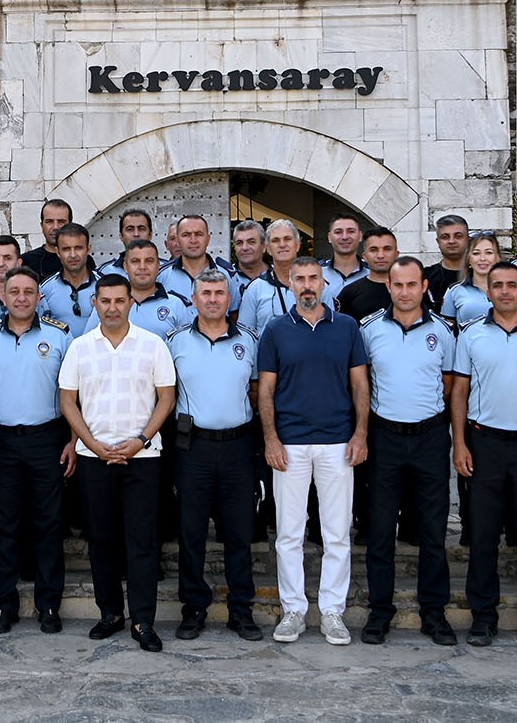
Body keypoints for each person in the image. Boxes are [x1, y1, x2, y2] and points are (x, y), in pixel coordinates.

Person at [59, 273, 178, 652]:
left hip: (142, 457)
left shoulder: (153, 345)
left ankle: (143, 620)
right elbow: (67, 400)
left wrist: (140, 440)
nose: (112, 307)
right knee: (101, 540)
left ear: (130, 303)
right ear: (95, 303)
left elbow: (166, 398)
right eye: (105, 301)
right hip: (94, 459)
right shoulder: (79, 347)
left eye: (119, 300)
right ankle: (110, 612)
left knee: (142, 542)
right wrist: (91, 444)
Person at [258, 257, 369, 646]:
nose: (307, 285)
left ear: (325, 284)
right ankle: (293, 610)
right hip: (289, 444)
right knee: (289, 533)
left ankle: (333, 612)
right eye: (300, 279)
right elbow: (265, 390)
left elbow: (360, 385)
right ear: (289, 284)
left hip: (338, 442)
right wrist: (271, 439)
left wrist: (360, 434)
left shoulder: (348, 328)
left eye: (313, 279)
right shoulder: (275, 330)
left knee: (337, 533)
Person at [449, 262, 517, 649]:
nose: (506, 291)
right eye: (498, 285)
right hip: (484, 443)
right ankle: (483, 617)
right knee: (483, 535)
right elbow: (459, 393)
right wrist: (459, 443)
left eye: (512, 285)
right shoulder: (471, 335)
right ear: (488, 292)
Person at [358, 258, 456, 647]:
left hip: (430, 437)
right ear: (389, 287)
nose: (404, 292)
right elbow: (362, 384)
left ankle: (434, 612)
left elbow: (449, 384)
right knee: (381, 531)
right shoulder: (369, 331)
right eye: (397, 285)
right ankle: (380, 611)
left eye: (411, 285)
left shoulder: (444, 331)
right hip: (385, 439)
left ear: (423, 286)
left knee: (433, 531)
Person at [165, 268, 262, 642]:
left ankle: (242, 610)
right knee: (191, 534)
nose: (212, 299)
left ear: (230, 298)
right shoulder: (175, 342)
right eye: (205, 293)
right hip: (193, 448)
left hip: (238, 446)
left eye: (219, 293)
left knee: (239, 533)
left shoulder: (249, 340)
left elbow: (257, 393)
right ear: (193, 298)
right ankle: (193, 609)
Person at [0, 267, 75, 636]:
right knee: (3, 526)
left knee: (48, 524)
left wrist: (72, 440)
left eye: (28, 291)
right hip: (0, 440)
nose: (20, 297)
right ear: (3, 295)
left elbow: (71, 393)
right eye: (13, 290)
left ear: (39, 297)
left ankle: (49, 604)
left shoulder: (60, 336)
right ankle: (5, 605)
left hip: (46, 440)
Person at [239, 218, 306, 338]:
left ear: (297, 245)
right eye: (275, 240)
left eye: (287, 239)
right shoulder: (255, 289)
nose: (282, 245)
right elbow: (245, 337)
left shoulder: (317, 286)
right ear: (267, 248)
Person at [123, 239, 195, 338]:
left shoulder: (177, 305)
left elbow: (186, 346)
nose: (142, 267)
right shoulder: (112, 303)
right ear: (126, 267)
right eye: (135, 261)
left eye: (149, 261)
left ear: (158, 266)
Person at [161, 214, 235, 307]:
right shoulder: (161, 276)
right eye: (186, 235)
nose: (193, 240)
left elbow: (234, 315)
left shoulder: (228, 275)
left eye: (199, 234)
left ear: (208, 239)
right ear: (178, 240)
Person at [40, 222, 100, 334]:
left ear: (88, 249)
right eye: (66, 249)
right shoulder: (45, 289)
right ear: (58, 252)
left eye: (78, 248)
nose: (73, 255)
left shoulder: (104, 286)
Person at [335, 227, 398, 321]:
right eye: (373, 250)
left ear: (396, 254)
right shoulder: (349, 293)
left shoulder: (412, 291)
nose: (380, 255)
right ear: (364, 256)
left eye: (387, 249)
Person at [440, 231, 502, 325]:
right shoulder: (454, 291)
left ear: (497, 257)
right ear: (468, 259)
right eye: (476, 253)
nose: (482, 258)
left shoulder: (512, 289)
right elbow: (447, 332)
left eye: (489, 253)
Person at [423, 215, 470, 314]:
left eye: (458, 236)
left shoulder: (480, 276)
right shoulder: (424, 277)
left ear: (467, 240)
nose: (451, 241)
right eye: (445, 237)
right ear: (438, 241)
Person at [319, 215, 366, 304]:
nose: (344, 237)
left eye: (351, 231)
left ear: (360, 236)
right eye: (338, 232)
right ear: (329, 237)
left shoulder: (372, 273)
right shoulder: (317, 272)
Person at [21, 199, 70, 280]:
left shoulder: (83, 261)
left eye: (61, 221)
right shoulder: (27, 261)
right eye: (49, 221)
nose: (55, 227)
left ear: (69, 224)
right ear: (42, 225)